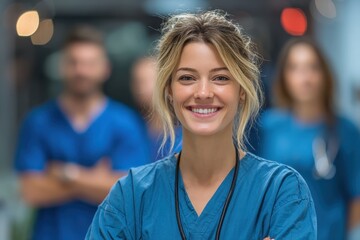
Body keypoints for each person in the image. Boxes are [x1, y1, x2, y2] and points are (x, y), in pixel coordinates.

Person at [86, 11, 317, 239]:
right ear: (169, 91)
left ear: (242, 92)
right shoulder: (131, 196)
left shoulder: (281, 193)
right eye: (187, 78)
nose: (203, 92)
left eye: (221, 78)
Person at [14, 26, 150, 240]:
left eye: (89, 63)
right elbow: (30, 191)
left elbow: (130, 194)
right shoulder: (38, 122)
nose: (81, 70)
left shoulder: (125, 123)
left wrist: (67, 174)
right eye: (73, 62)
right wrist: (97, 179)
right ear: (61, 66)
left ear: (105, 68)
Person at [255, 38, 360, 240]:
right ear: (284, 76)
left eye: (312, 67)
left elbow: (357, 198)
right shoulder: (266, 127)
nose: (305, 76)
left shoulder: (345, 131)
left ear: (325, 74)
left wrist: (334, 231)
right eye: (294, 68)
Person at [131, 57, 182, 161]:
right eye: (138, 81)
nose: (142, 88)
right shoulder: (132, 126)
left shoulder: (184, 133)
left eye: (149, 80)